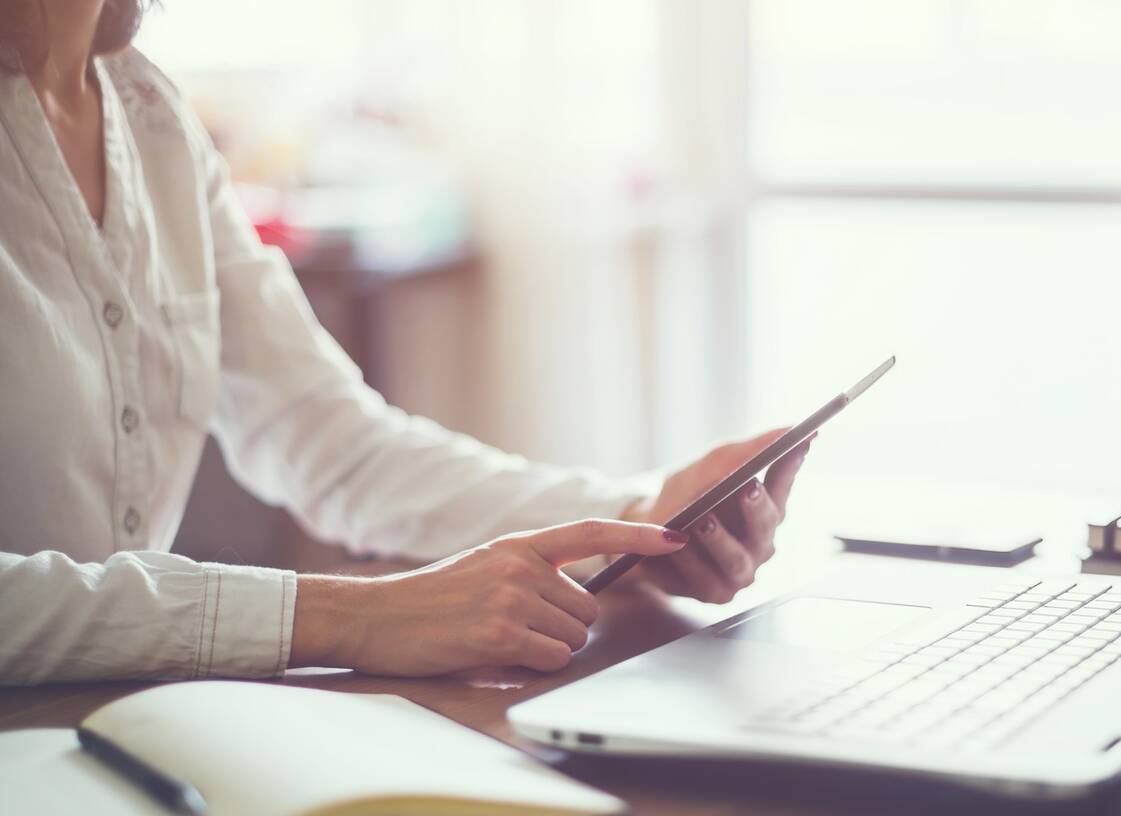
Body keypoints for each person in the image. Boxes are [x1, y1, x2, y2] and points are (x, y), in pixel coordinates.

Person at [0, 0, 808, 684]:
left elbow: (333, 441)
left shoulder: (152, 121)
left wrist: (628, 525)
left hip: (109, 726)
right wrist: (352, 617)